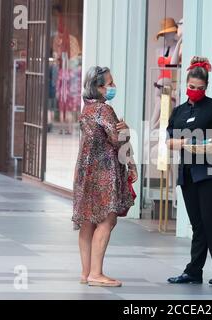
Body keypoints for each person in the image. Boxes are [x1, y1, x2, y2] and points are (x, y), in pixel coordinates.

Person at [166, 57, 212, 285]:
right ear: (186, 85)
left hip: (211, 172)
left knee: (210, 219)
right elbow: (169, 140)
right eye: (191, 87)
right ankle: (194, 271)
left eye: (199, 88)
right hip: (188, 173)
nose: (195, 91)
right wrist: (185, 144)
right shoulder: (178, 111)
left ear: (206, 88)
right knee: (197, 223)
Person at [72, 66, 138, 288]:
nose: (113, 87)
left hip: (86, 170)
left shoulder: (86, 110)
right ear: (99, 88)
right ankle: (96, 273)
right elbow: (118, 139)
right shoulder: (104, 110)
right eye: (110, 84)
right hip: (104, 172)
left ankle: (86, 272)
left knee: (88, 220)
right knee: (107, 220)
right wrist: (132, 163)